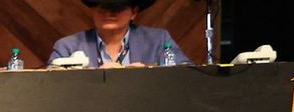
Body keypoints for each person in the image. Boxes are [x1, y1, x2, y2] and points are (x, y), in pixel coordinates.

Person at [49, 2, 189, 68]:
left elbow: (189, 77)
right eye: (102, 7)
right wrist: (94, 79)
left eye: (117, 8)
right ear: (93, 11)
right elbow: (51, 90)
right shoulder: (66, 47)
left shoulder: (159, 40)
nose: (109, 13)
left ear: (133, 12)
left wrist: (149, 75)